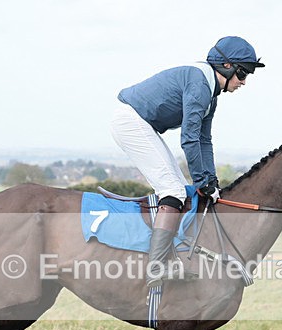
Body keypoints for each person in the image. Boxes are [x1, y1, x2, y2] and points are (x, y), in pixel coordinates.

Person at [111, 36, 264, 287]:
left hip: (141, 124)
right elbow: (190, 139)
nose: (244, 82)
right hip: (131, 122)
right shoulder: (199, 85)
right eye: (243, 73)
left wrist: (212, 181)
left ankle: (170, 258)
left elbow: (205, 140)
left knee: (180, 190)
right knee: (172, 191)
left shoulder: (210, 93)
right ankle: (156, 267)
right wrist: (202, 182)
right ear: (226, 66)